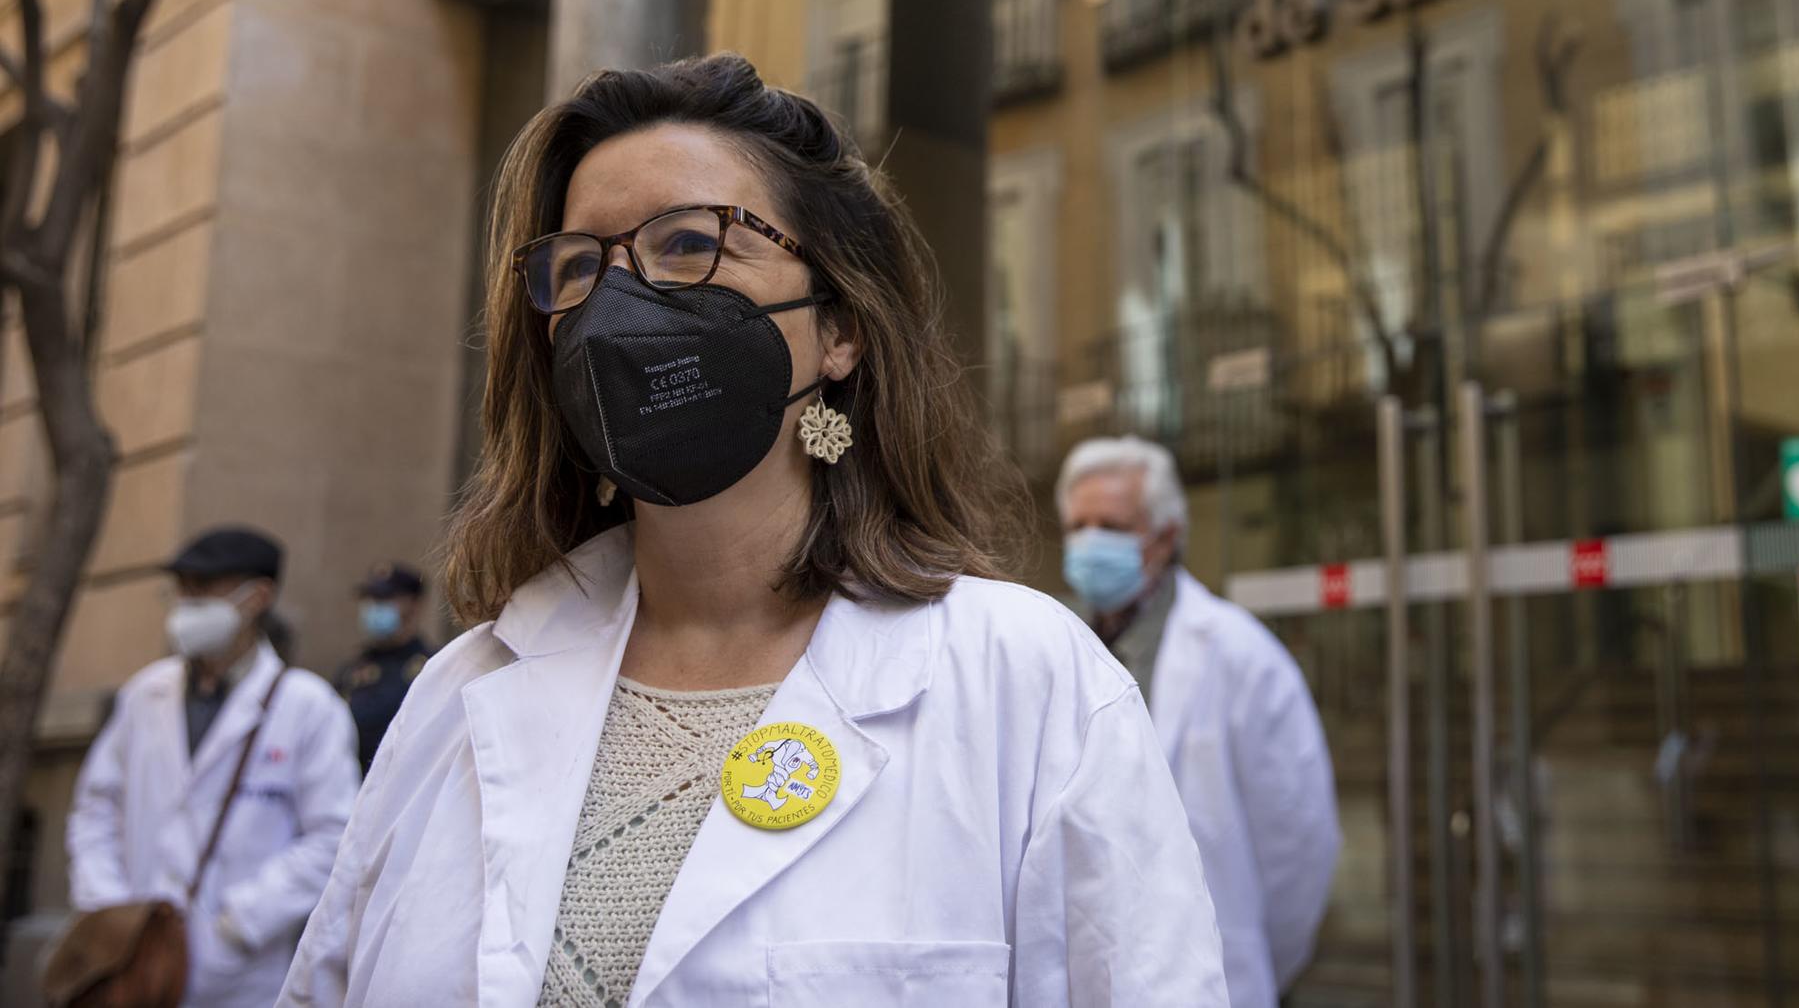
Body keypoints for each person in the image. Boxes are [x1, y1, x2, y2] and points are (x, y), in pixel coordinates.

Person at [281, 54, 1228, 1006]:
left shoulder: (1028, 685)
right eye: (578, 267)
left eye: (689, 243)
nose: (616, 307)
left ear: (839, 329)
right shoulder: (458, 696)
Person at [1057, 436, 1340, 1008]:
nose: (1089, 543)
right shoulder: (1053, 645)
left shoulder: (1237, 655)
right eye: (1077, 526)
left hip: (1215, 977)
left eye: (1110, 526)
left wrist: (1251, 953)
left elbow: (1298, 846)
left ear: (1165, 537)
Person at [66, 527, 359, 1008]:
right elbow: (96, 807)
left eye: (204, 590)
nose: (186, 605)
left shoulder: (309, 708)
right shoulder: (145, 694)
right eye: (182, 590)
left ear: (258, 597)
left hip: (239, 976)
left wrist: (237, 925)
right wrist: (107, 904)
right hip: (130, 960)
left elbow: (335, 838)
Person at [334, 562, 434, 772]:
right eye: (369, 599)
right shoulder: (352, 669)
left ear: (414, 604)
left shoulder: (432, 667)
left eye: (385, 599)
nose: (374, 607)